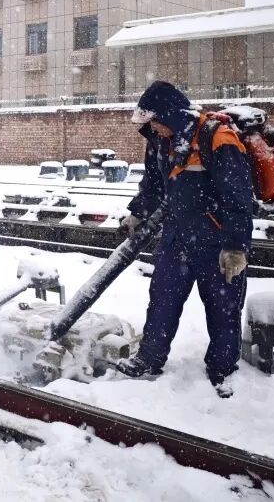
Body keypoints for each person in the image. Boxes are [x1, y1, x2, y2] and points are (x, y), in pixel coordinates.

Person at [116, 81, 254, 398]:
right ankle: (149, 359)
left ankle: (222, 370)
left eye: (154, 121)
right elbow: (152, 184)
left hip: (217, 242)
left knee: (223, 309)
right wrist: (137, 213)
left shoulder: (216, 138)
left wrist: (235, 248)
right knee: (162, 300)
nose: (151, 128)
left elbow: (238, 198)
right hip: (177, 236)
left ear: (170, 115)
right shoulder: (160, 141)